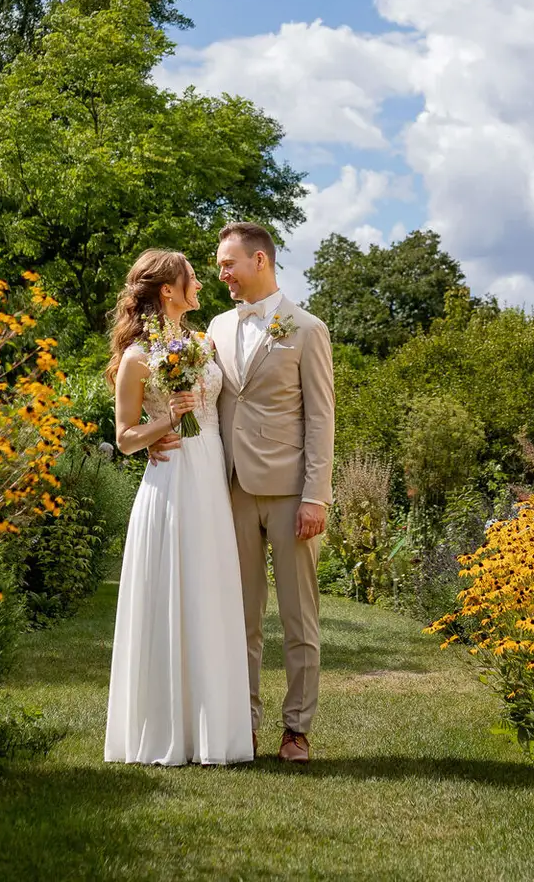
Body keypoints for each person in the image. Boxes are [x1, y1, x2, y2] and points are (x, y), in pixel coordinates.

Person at [102, 250, 254, 765]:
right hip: (170, 479)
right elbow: (124, 438)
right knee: (171, 589)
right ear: (168, 290)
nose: (201, 284)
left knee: (210, 590)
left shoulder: (204, 343)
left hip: (210, 472)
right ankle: (167, 730)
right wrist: (168, 423)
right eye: (191, 278)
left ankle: (218, 731)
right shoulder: (137, 357)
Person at [207, 221, 335, 763]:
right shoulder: (213, 327)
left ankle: (297, 730)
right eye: (218, 266)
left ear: (261, 261)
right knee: (240, 616)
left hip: (289, 493)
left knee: (298, 618)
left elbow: (321, 419)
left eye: (229, 263)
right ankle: (244, 722)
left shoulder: (306, 329)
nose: (223, 275)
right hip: (228, 489)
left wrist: (316, 495)